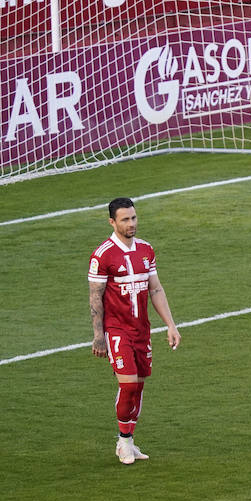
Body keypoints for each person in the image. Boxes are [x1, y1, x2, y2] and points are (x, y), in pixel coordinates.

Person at [88, 197, 181, 465]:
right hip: (117, 329)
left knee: (138, 387)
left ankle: (129, 440)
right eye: (125, 219)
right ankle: (123, 441)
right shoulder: (102, 255)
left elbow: (155, 289)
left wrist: (171, 325)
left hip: (143, 330)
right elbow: (96, 297)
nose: (132, 224)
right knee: (127, 384)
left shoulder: (146, 250)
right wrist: (98, 336)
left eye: (134, 218)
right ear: (112, 222)